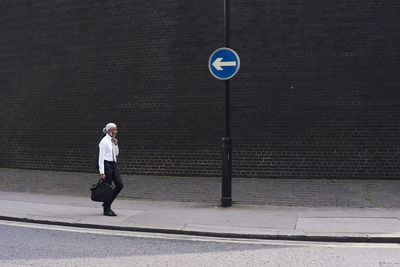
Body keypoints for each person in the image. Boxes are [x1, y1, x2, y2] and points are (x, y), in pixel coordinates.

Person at [98, 122, 124, 216]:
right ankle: (106, 209)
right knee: (108, 188)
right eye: (114, 130)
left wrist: (116, 144)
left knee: (120, 184)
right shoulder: (104, 141)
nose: (116, 131)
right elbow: (100, 158)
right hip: (106, 165)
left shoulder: (112, 140)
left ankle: (106, 203)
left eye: (116, 129)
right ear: (109, 131)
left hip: (113, 164)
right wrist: (102, 172)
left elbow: (116, 154)